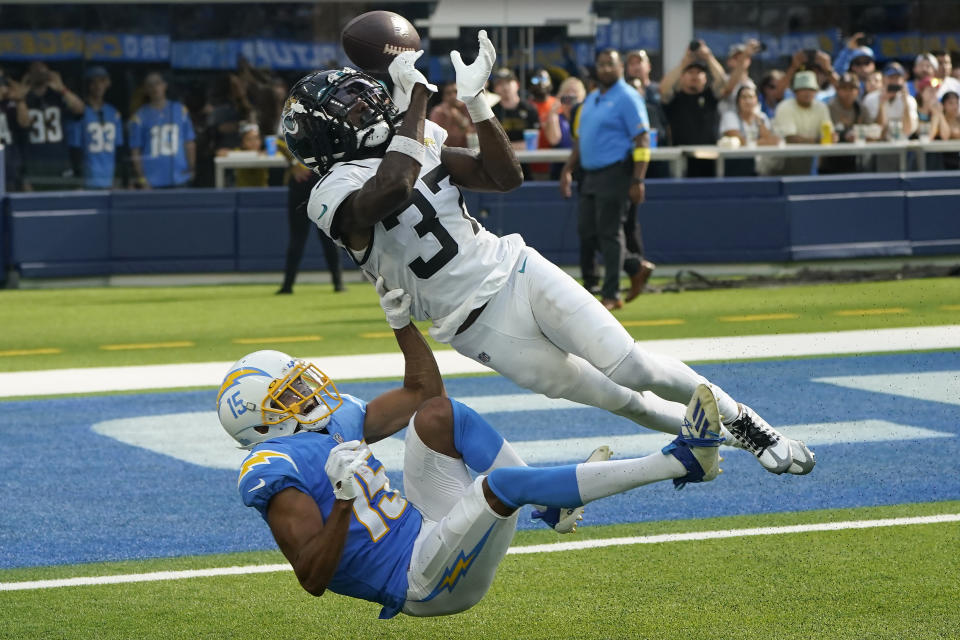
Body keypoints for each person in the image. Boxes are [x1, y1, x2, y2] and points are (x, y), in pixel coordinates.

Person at [280, 33, 815, 480]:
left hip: (517, 270)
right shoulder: (328, 194)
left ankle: (747, 422)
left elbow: (504, 177)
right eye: (347, 105)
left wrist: (476, 102)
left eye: (360, 95)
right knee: (620, 400)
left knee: (634, 365)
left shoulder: (416, 137)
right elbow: (392, 187)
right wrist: (417, 98)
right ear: (324, 131)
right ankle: (719, 437)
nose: (365, 105)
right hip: (473, 326)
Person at [217, 276, 728, 617]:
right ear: (260, 426)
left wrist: (401, 325)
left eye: (300, 384)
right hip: (418, 580)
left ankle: (551, 505)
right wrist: (345, 501)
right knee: (498, 486)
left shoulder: (328, 425)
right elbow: (310, 576)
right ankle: (681, 460)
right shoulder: (273, 466)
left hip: (424, 522)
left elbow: (424, 394)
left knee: (442, 416)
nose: (309, 393)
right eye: (291, 394)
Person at [559, 49, 653, 309]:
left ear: (620, 66)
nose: (605, 69)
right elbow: (580, 140)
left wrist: (638, 180)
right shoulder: (592, 99)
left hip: (616, 171)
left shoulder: (627, 97)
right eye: (600, 65)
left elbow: (642, 139)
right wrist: (567, 169)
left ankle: (611, 294)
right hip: (590, 174)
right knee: (588, 232)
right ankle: (635, 266)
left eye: (610, 64)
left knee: (609, 233)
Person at [276, 135, 345, 295]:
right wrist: (295, 163)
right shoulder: (325, 118)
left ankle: (336, 281)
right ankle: (337, 283)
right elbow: (277, 141)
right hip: (316, 181)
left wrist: (296, 163)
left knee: (322, 236)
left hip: (316, 181)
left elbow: (279, 141)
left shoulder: (293, 117)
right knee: (305, 236)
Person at [661, 42, 728, 176]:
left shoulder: (710, 96)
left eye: (699, 73)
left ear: (705, 78)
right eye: (690, 72)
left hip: (709, 157)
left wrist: (708, 57)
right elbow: (663, 88)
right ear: (682, 76)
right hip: (681, 158)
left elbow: (722, 81)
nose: (694, 76)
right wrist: (684, 63)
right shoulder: (674, 98)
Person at [21, 61, 85, 190]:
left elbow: (79, 110)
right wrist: (23, 88)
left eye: (43, 71)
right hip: (34, 165)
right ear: (29, 74)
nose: (40, 74)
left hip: (60, 162)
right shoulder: (24, 98)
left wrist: (62, 88)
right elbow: (21, 124)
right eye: (36, 71)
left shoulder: (57, 95)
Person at [128, 72, 196, 188]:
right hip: (152, 179)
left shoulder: (179, 110)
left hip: (179, 176)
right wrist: (141, 178)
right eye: (150, 85)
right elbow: (136, 151)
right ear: (145, 89)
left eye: (157, 83)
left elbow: (189, 143)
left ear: (165, 85)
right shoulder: (140, 116)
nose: (155, 88)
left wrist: (191, 167)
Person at [69, 66, 124, 190]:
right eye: (93, 82)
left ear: (108, 83)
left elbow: (118, 149)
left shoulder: (113, 113)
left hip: (109, 179)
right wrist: (78, 178)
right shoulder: (80, 113)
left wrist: (118, 177)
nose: (98, 86)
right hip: (88, 179)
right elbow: (75, 148)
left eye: (102, 81)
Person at [771, 71, 833, 175]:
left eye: (811, 89)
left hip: (807, 163)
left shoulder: (821, 107)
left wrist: (831, 137)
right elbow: (791, 139)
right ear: (795, 92)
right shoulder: (785, 107)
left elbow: (829, 135)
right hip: (781, 164)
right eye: (803, 89)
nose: (807, 93)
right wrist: (818, 140)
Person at [719, 85, 780, 176]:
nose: (748, 101)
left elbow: (772, 141)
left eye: (751, 97)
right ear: (738, 101)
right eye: (744, 97)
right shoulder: (730, 116)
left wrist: (758, 120)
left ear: (756, 100)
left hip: (760, 168)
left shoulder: (762, 117)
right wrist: (762, 143)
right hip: (735, 168)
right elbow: (740, 141)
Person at [819, 72, 870, 174]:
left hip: (856, 159)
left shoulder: (861, 109)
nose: (848, 92)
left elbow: (872, 132)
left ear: (858, 91)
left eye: (852, 88)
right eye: (844, 88)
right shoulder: (829, 108)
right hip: (831, 161)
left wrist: (860, 134)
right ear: (837, 90)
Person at [0, 70, 29, 192]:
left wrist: (20, 100)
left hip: (10, 162)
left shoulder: (11, 103)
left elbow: (25, 123)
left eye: (2, 81)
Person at [428, 82, 474, 148]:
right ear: (444, 97)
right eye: (449, 93)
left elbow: (475, 134)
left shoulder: (470, 109)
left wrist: (459, 118)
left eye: (456, 92)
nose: (453, 96)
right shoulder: (438, 112)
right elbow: (434, 137)